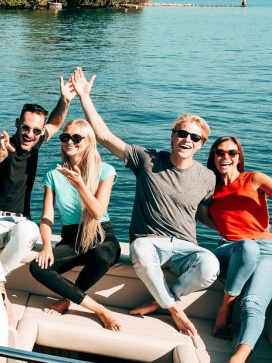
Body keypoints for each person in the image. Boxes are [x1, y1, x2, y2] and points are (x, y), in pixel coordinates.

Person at [70, 67, 219, 336]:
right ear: (173, 136)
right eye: (182, 134)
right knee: (138, 249)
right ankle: (174, 309)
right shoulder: (147, 160)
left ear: (201, 144)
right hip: (149, 242)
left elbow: (203, 215)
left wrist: (245, 233)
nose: (187, 140)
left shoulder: (207, 176)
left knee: (211, 265)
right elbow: (103, 137)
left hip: (186, 248)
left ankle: (162, 299)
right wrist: (84, 96)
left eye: (194, 137)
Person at [202, 135, 272, 363]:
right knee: (247, 246)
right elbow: (204, 219)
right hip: (230, 249)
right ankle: (225, 309)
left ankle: (238, 360)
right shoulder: (208, 187)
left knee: (252, 303)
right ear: (213, 157)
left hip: (268, 250)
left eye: (231, 153)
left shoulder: (254, 179)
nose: (225, 157)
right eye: (219, 152)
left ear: (239, 156)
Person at [0, 79, 73, 325]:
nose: (30, 134)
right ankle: (1, 294)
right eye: (26, 128)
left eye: (35, 131)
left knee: (31, 229)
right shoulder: (5, 148)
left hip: (20, 223)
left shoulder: (36, 142)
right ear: (18, 124)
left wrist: (65, 100)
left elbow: (55, 122)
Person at [28, 119, 123, 331]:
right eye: (65, 137)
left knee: (100, 257)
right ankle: (99, 309)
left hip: (101, 236)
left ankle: (68, 300)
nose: (69, 142)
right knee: (38, 267)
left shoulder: (106, 170)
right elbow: (47, 216)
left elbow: (98, 212)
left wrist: (79, 184)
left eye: (76, 138)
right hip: (72, 239)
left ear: (88, 141)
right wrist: (46, 247)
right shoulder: (53, 173)